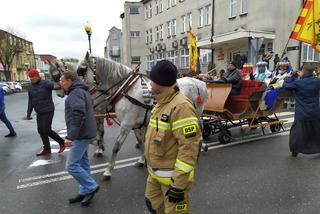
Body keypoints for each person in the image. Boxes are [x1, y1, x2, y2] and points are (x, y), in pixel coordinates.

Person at [145, 60, 202, 213]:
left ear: (160, 82)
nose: (150, 84)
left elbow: (189, 149)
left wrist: (178, 185)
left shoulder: (181, 107)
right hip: (155, 175)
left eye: (152, 80)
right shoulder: (161, 103)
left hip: (172, 181)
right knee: (153, 206)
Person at [60, 71, 99, 206]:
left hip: (80, 134)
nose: (61, 83)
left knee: (71, 165)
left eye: (62, 80)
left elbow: (78, 113)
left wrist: (70, 136)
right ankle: (84, 191)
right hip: (84, 132)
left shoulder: (75, 92)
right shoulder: (81, 90)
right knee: (83, 163)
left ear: (70, 80)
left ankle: (91, 186)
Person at [283, 62, 320, 157]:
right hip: (315, 112)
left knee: (296, 132)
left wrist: (290, 76)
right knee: (316, 131)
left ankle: (295, 150)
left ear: (303, 70)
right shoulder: (317, 81)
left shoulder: (298, 83)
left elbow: (286, 85)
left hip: (302, 112)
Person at [26, 69, 65, 156]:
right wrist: (28, 113)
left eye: (33, 77)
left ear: (37, 76)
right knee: (40, 130)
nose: (31, 79)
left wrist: (61, 82)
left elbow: (57, 86)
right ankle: (47, 148)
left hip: (48, 110)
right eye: (30, 78)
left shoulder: (46, 83)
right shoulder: (30, 87)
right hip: (39, 111)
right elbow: (31, 101)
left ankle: (62, 142)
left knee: (47, 129)